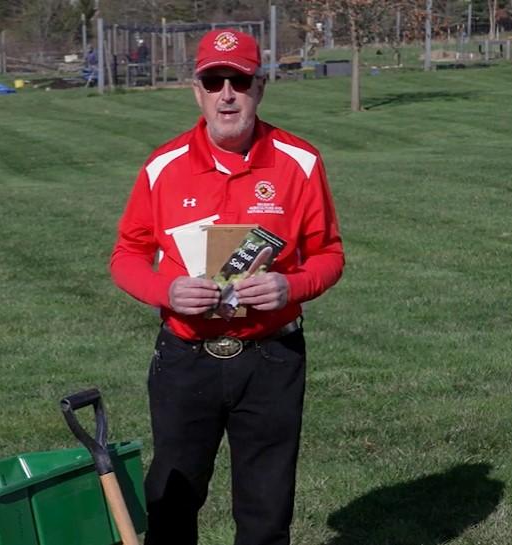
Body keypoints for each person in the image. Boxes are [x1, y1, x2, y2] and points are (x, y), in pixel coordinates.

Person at [109, 28, 344, 545]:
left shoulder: (300, 162)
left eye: (239, 81)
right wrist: (167, 292)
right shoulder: (163, 166)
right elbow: (126, 256)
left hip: (272, 358)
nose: (227, 95)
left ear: (260, 87)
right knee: (171, 500)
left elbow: (329, 254)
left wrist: (291, 287)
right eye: (214, 82)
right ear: (197, 91)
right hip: (186, 357)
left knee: (266, 509)